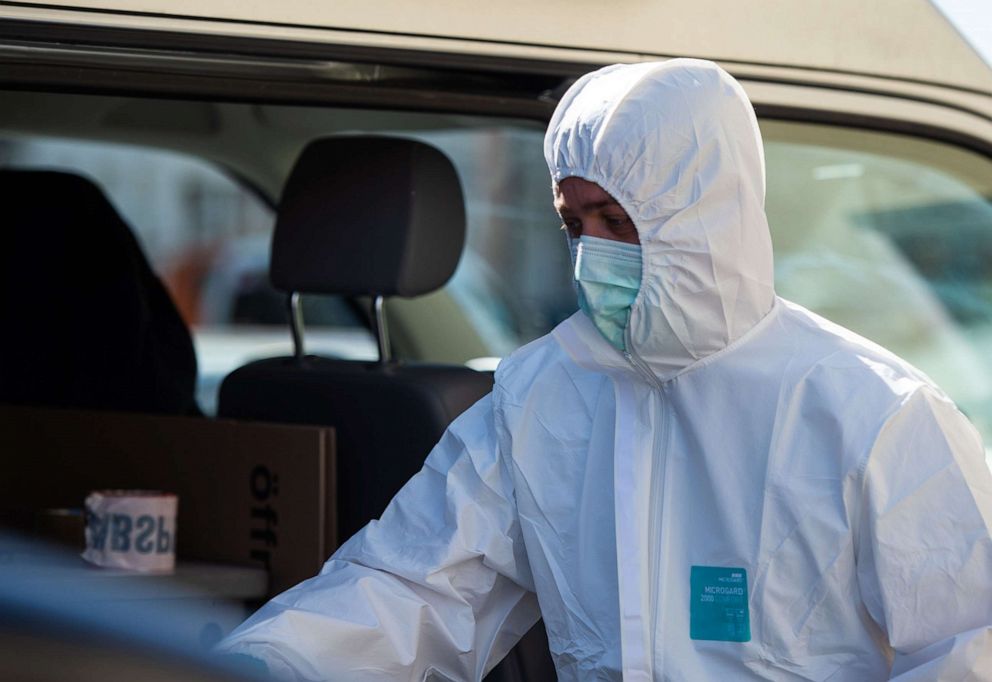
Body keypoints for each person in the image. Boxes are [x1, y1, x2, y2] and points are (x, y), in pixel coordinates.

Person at [217, 59, 992, 680]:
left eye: (619, 220)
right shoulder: (542, 396)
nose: (593, 252)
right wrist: (267, 662)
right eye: (573, 222)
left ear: (704, 213)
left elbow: (968, 651)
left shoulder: (872, 412)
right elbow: (415, 587)